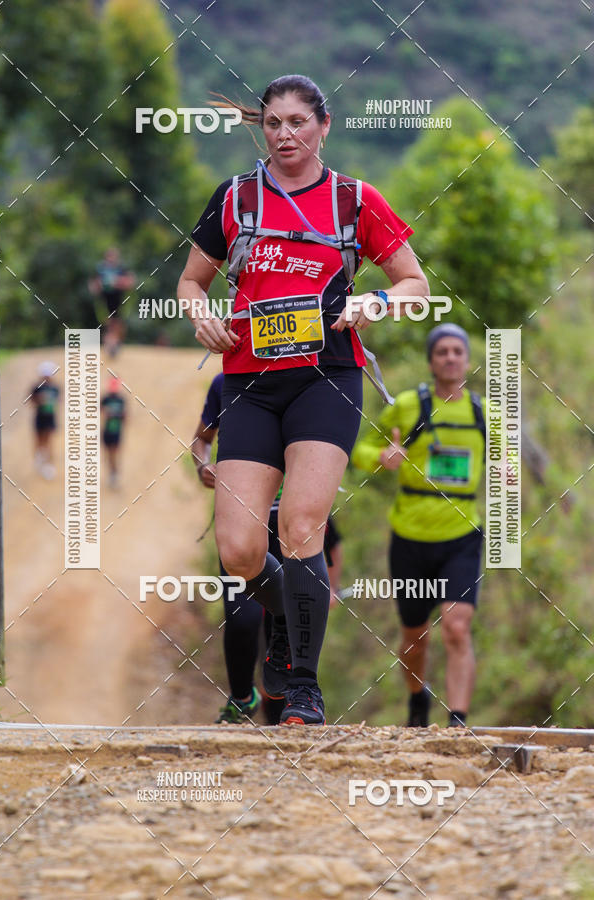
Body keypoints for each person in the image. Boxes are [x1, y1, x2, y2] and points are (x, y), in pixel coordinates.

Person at [178, 74, 428, 725]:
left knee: (303, 526)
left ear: (323, 125)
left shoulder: (353, 200)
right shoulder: (235, 197)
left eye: (298, 122)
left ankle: (302, 689)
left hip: (327, 379)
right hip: (248, 383)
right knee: (238, 549)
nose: (285, 135)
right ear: (262, 128)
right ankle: (289, 624)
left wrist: (375, 300)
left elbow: (414, 283)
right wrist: (200, 314)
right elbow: (189, 282)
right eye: (274, 123)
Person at [351, 324, 485, 728]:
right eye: (441, 351)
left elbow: (505, 465)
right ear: (431, 360)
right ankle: (416, 702)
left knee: (457, 626)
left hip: (461, 535)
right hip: (409, 536)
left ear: (466, 360)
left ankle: (458, 721)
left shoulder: (484, 413)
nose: (449, 358)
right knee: (415, 636)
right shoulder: (408, 406)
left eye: (456, 352)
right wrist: (382, 456)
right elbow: (357, 449)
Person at [191, 371, 344, 725]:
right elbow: (201, 440)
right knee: (242, 620)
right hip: (244, 524)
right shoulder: (225, 383)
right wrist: (204, 465)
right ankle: (242, 698)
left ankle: (287, 714)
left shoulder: (313, 380)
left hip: (290, 524)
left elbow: (333, 541)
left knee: (281, 629)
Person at [89, 248, 135, 357]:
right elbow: (93, 286)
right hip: (104, 301)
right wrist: (101, 285)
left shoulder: (122, 268)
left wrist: (116, 282)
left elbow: (131, 282)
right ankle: (110, 347)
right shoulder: (100, 269)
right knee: (109, 324)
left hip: (120, 300)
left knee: (119, 325)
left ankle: (115, 344)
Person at [30, 361, 60, 480]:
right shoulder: (36, 388)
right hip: (39, 417)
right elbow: (31, 401)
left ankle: (49, 466)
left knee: (48, 441)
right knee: (39, 440)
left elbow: (58, 401)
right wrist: (39, 401)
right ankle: (39, 459)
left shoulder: (55, 388)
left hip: (50, 418)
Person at [101, 377, 127, 490]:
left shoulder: (121, 400)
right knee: (109, 454)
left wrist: (115, 415)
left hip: (116, 431)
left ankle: (114, 474)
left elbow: (125, 416)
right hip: (107, 431)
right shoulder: (105, 399)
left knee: (114, 454)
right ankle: (113, 473)